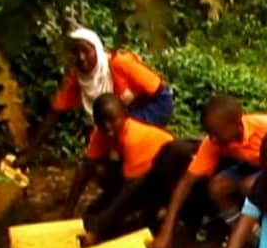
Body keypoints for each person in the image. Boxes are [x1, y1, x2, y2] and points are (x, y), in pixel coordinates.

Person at [152, 94, 267, 248]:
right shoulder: (214, 142)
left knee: (250, 186)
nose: (213, 139)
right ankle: (245, 237)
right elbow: (186, 182)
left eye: (217, 133)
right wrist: (167, 231)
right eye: (210, 134)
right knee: (216, 187)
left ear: (237, 125)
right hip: (252, 165)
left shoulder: (266, 128)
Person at [27, 25, 174, 161]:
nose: (81, 57)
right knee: (105, 144)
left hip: (154, 103)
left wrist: (136, 106)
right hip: (121, 114)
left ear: (96, 49)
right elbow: (56, 111)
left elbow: (158, 89)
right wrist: (32, 149)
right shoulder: (77, 78)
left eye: (86, 51)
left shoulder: (119, 63)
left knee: (119, 137)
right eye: (76, 52)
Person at [62, 93, 193, 245]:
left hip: (167, 175)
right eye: (101, 122)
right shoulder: (101, 134)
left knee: (126, 209)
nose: (108, 126)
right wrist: (68, 209)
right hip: (139, 175)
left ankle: (159, 210)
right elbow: (86, 168)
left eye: (112, 120)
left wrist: (98, 230)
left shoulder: (133, 138)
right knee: (100, 173)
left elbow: (128, 192)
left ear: (125, 115)